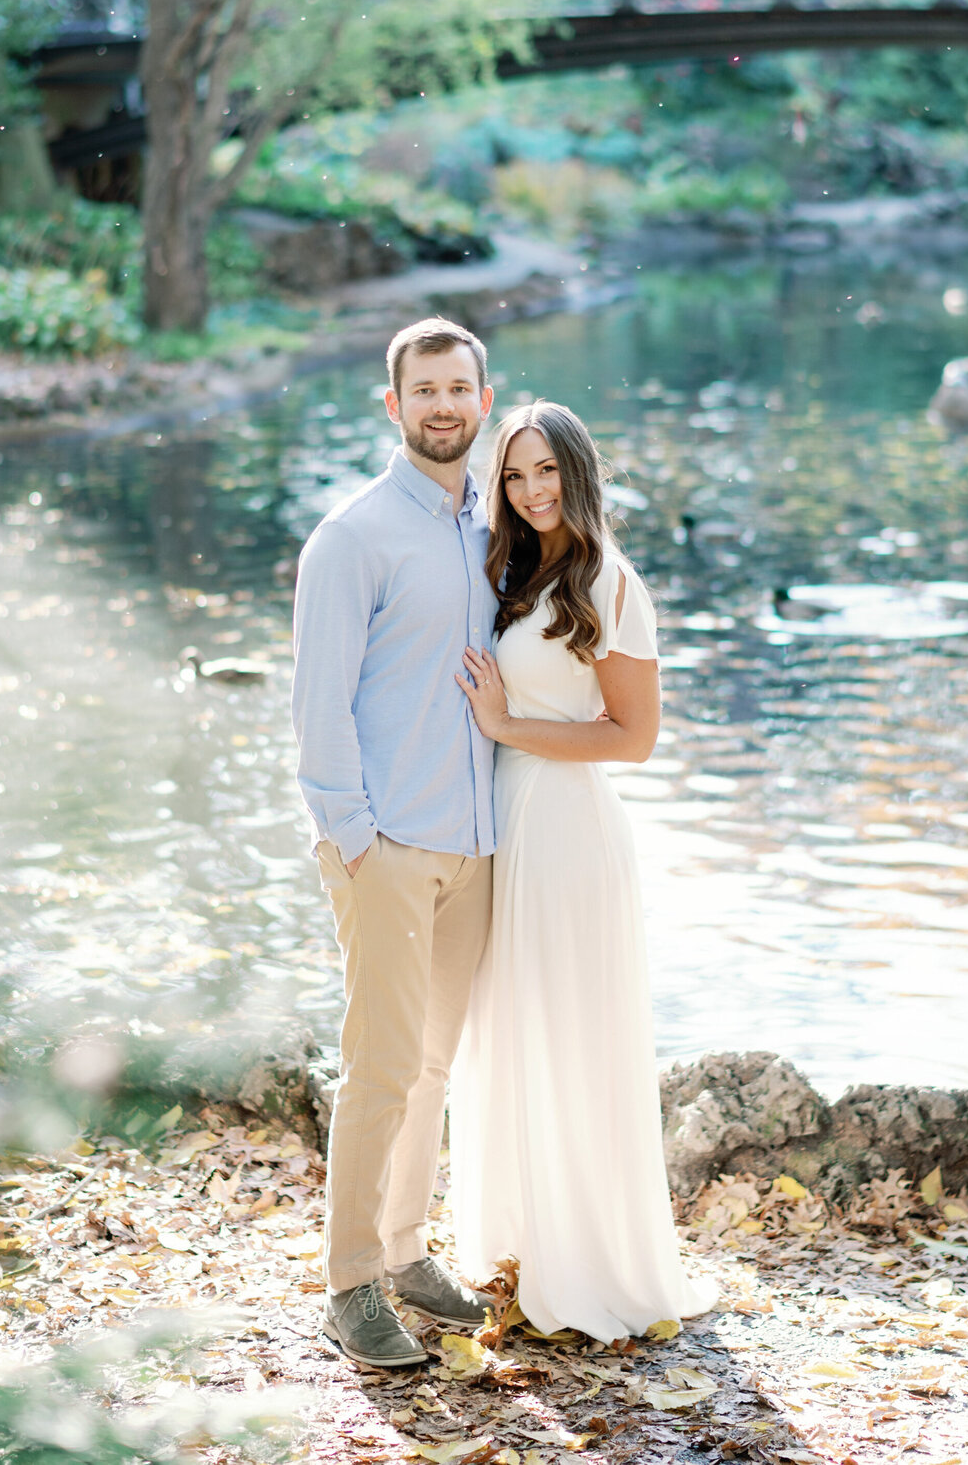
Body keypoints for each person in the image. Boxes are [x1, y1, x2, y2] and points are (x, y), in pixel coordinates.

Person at [449, 400, 716, 1343]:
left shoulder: (608, 578)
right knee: (509, 1028)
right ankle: (518, 1244)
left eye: (545, 472)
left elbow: (635, 738)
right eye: (514, 476)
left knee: (570, 1035)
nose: (530, 491)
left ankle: (588, 1262)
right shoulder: (515, 571)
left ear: (577, 470)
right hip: (505, 825)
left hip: (567, 829)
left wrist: (506, 726)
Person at [291, 316, 499, 1368]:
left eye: (460, 388)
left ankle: (408, 1249)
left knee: (432, 1064)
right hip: (387, 847)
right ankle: (350, 1284)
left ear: (485, 401)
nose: (443, 406)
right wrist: (354, 839)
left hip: (474, 846)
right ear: (394, 406)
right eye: (425, 391)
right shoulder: (354, 535)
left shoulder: (490, 531)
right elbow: (317, 708)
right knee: (379, 1067)